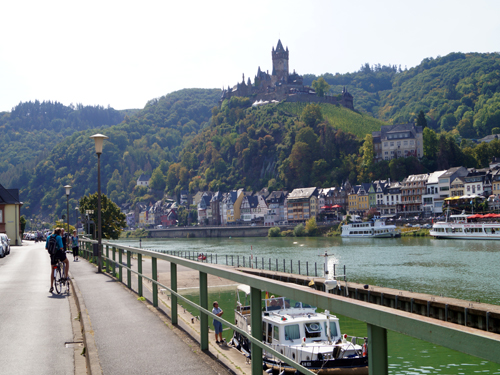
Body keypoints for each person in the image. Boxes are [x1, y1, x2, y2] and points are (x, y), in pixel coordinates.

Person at [45, 228, 69, 293]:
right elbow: (61, 247)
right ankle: (66, 277)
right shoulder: (59, 237)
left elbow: (46, 248)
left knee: (52, 269)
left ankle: (51, 286)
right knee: (67, 262)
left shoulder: (49, 237)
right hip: (59, 254)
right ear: (60, 232)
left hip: (52, 255)